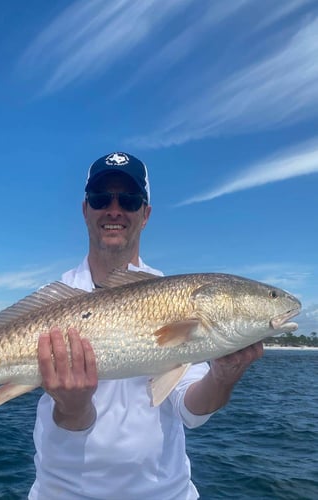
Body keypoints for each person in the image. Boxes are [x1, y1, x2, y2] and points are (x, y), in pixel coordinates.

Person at [28, 152, 263, 500]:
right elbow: (71, 421)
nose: (114, 209)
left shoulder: (176, 299)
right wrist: (71, 406)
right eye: (100, 198)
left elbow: (190, 410)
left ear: (146, 214)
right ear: (85, 209)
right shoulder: (52, 302)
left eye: (130, 199)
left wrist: (222, 377)